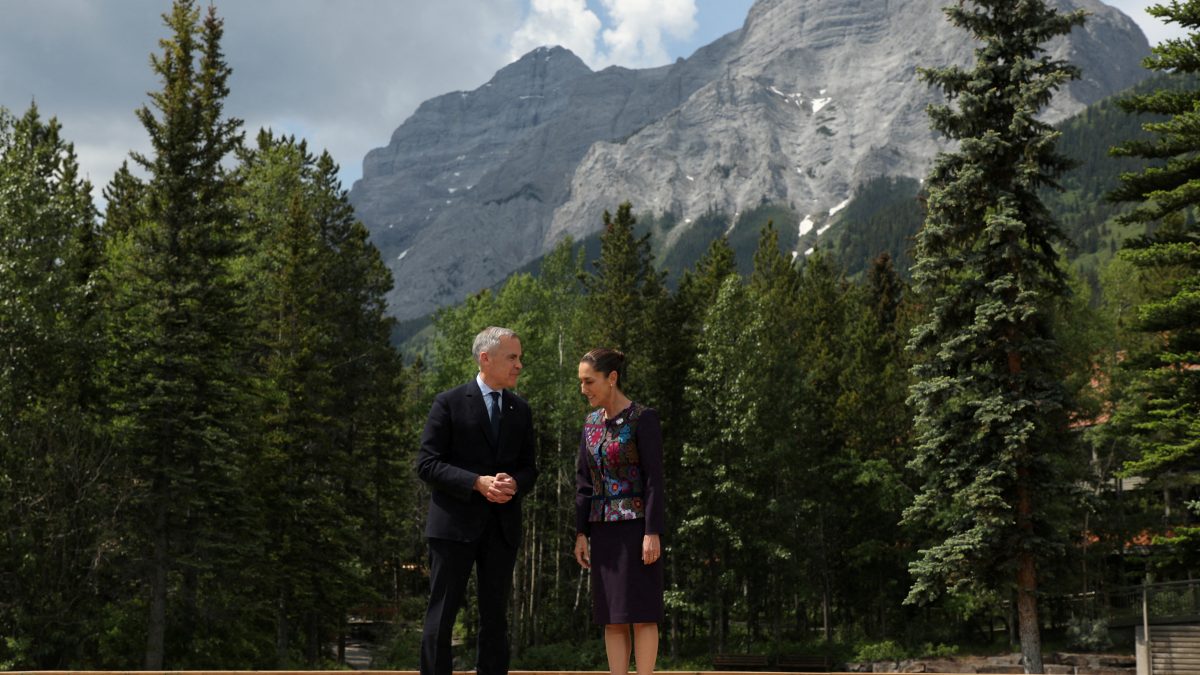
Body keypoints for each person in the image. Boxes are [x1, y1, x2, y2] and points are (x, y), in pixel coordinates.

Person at [416, 326, 539, 675]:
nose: (519, 365)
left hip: (501, 529)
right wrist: (477, 483)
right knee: (441, 614)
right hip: (453, 527)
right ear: (485, 358)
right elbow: (426, 464)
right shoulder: (449, 402)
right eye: (512, 358)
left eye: (520, 358)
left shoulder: (521, 409)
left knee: (495, 619)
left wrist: (515, 482)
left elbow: (530, 468)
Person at [573, 348, 665, 675]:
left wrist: (652, 532)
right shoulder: (590, 424)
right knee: (611, 617)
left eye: (589, 381)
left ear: (612, 379)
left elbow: (655, 480)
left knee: (642, 614)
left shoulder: (644, 418)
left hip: (638, 530)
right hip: (603, 532)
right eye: (581, 382)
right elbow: (583, 482)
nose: (583, 388)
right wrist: (581, 533)